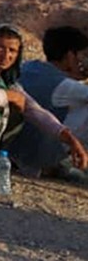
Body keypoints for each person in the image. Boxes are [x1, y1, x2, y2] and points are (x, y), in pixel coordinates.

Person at [0, 24, 88, 188]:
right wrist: (8, 96)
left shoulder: (11, 76)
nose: (6, 56)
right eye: (0, 48)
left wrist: (70, 139)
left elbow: (36, 112)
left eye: (12, 51)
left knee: (18, 111)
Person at [11, 26, 88, 184]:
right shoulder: (65, 86)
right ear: (70, 55)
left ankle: (60, 165)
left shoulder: (29, 66)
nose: (83, 61)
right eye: (82, 55)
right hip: (34, 156)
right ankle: (54, 165)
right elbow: (69, 88)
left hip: (14, 150)